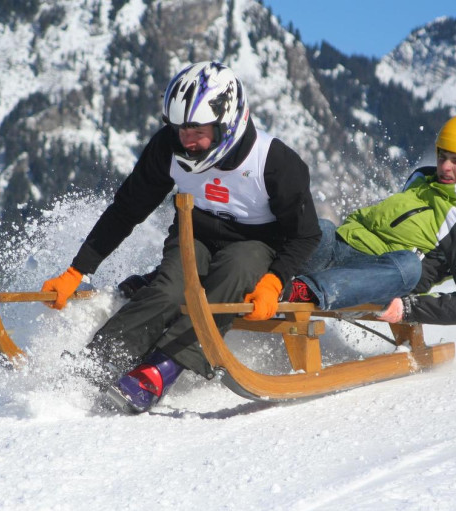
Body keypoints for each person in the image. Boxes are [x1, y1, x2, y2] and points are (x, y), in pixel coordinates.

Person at [41, 61, 321, 413]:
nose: (186, 139)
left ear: (228, 121)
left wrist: (273, 281)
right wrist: (77, 271)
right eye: (179, 128)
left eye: (197, 129)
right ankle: (96, 363)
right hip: (195, 235)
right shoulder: (168, 148)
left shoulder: (275, 161)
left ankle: (160, 369)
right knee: (171, 288)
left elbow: (306, 235)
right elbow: (127, 208)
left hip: (258, 244)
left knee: (234, 270)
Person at [287, 109, 456, 325]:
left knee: (408, 266)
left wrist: (410, 309)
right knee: (321, 228)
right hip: (342, 249)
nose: (445, 167)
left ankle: (303, 291)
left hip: (379, 278)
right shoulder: (422, 178)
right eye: (442, 156)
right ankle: (268, 277)